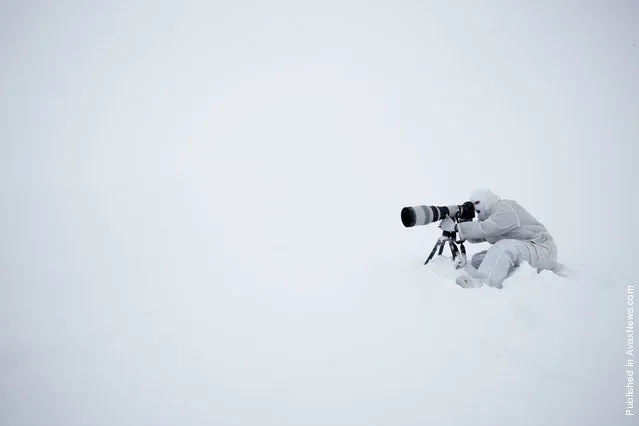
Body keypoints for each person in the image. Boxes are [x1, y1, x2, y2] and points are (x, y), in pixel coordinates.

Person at [438, 188, 558, 289]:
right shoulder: (493, 219)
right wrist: (465, 221)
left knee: (503, 248)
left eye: (477, 204)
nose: (475, 211)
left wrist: (455, 227)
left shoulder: (505, 208)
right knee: (478, 260)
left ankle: (482, 284)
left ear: (485, 201)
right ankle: (507, 279)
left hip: (542, 249)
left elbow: (486, 228)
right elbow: (479, 236)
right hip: (528, 250)